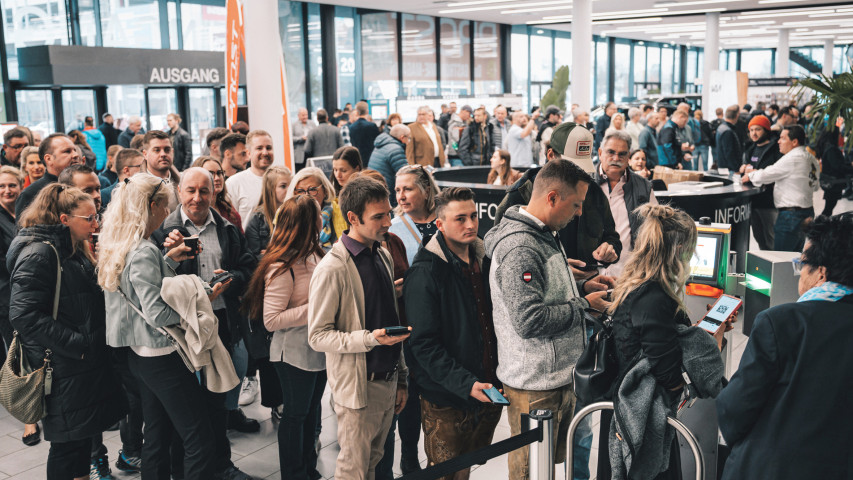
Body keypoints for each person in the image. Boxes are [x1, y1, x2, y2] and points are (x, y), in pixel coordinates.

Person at [485, 159, 611, 480]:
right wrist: (584, 304)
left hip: (558, 377)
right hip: (535, 386)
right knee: (530, 472)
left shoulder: (545, 233)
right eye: (576, 204)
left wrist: (582, 286)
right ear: (552, 197)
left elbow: (546, 294)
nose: (580, 213)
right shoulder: (520, 247)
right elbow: (529, 320)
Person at [100, 173, 226, 480]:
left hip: (139, 355)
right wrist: (199, 301)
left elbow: (138, 291)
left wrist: (168, 260)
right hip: (162, 355)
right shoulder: (143, 249)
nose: (168, 213)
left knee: (156, 434)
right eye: (165, 207)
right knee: (199, 437)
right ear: (154, 206)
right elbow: (156, 312)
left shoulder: (122, 243)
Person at [716, 214, 853, 480]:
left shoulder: (780, 322)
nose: (800, 272)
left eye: (802, 264)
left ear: (821, 273)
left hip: (770, 468)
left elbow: (734, 409)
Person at [10, 183, 126, 480]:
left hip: (78, 367)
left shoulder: (70, 249)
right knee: (66, 447)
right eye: (89, 218)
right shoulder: (40, 252)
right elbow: (24, 314)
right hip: (63, 366)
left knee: (78, 442)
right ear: (65, 220)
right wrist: (80, 345)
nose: (95, 223)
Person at [150, 168, 258, 479]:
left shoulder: (226, 228)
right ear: (179, 193)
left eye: (204, 191)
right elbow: (153, 282)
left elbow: (247, 269)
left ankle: (221, 465)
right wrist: (170, 254)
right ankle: (184, 468)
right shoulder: (162, 231)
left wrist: (231, 279)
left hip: (220, 322)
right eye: (191, 191)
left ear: (214, 193)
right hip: (181, 328)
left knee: (217, 399)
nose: (197, 198)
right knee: (183, 409)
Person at [609, 204, 728, 480]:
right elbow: (669, 373)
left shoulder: (641, 286)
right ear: (678, 249)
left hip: (633, 412)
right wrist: (707, 348)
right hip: (644, 418)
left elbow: (660, 340)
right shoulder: (654, 297)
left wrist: (697, 334)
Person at [307, 176, 410, 480]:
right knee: (353, 472)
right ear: (352, 218)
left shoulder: (383, 254)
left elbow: (390, 321)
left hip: (387, 382)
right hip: (358, 389)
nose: (388, 222)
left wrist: (401, 378)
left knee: (373, 465)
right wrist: (369, 339)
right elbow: (317, 336)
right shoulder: (332, 268)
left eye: (388, 213)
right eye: (378, 217)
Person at [404, 187, 503, 480]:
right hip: (445, 397)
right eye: (460, 218)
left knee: (465, 469)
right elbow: (422, 344)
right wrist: (465, 382)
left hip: (486, 389)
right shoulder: (425, 273)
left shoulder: (485, 259)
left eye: (473, 216)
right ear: (440, 224)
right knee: (445, 474)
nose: (471, 224)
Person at [244, 195, 326, 479]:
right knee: (296, 415)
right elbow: (271, 320)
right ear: (308, 222)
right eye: (318, 213)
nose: (323, 217)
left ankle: (308, 469)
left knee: (311, 412)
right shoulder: (281, 266)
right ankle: (294, 473)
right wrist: (316, 308)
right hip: (292, 354)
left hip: (317, 349)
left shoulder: (316, 253)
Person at [495, 122, 622, 271]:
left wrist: (609, 249)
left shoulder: (594, 192)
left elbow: (612, 237)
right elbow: (498, 260)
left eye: (584, 167)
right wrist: (558, 274)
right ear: (550, 155)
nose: (579, 175)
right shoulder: (520, 195)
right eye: (571, 167)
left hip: (587, 288)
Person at [742, 125, 820, 252]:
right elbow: (816, 186)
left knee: (781, 258)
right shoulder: (811, 159)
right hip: (807, 212)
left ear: (794, 142)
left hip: (791, 216)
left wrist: (750, 175)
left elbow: (768, 174)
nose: (778, 141)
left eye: (783, 138)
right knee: (794, 255)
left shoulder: (792, 158)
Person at [594, 130, 656, 278]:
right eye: (611, 152)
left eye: (622, 154)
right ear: (600, 152)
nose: (616, 158)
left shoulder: (644, 187)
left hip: (628, 276)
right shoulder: (583, 183)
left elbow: (655, 229)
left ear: (628, 157)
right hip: (589, 276)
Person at [738, 115, 782, 250]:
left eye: (758, 129)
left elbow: (777, 172)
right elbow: (747, 174)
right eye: (751, 130)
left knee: (771, 238)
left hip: (769, 201)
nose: (754, 133)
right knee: (759, 237)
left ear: (766, 130)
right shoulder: (750, 149)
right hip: (753, 201)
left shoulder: (775, 149)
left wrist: (757, 172)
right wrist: (742, 170)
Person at [16, 133, 80, 218]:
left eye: (74, 150)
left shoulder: (83, 184)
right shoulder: (31, 194)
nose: (75, 155)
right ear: (49, 159)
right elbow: (23, 230)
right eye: (67, 151)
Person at [389, 165, 441, 266]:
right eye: (398, 190)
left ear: (426, 191)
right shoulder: (391, 228)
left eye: (407, 189)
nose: (401, 197)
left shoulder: (447, 220)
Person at [227, 130, 274, 230]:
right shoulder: (234, 183)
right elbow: (230, 223)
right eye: (259, 148)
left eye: (268, 148)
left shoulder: (284, 181)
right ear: (248, 153)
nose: (265, 152)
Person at [286, 167, 339, 250]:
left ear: (325, 190)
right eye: (300, 191)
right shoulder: (286, 215)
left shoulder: (338, 213)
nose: (307, 195)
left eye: (312, 189)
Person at [194, 156, 246, 231]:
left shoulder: (228, 209)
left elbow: (241, 239)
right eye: (211, 173)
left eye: (219, 173)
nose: (217, 178)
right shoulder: (193, 210)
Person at [367, 124, 410, 207]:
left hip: (375, 186)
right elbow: (405, 173)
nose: (409, 141)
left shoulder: (382, 144)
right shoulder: (395, 149)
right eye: (409, 138)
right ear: (402, 137)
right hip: (387, 189)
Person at [815, 128, 853, 217]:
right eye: (839, 134)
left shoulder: (827, 147)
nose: (841, 136)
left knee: (829, 208)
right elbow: (838, 166)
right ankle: (819, 226)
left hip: (831, 183)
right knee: (828, 209)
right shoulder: (832, 149)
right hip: (833, 184)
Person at [140, 130, 180, 211]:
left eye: (167, 150)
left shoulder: (184, 181)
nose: (163, 154)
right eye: (157, 150)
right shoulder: (136, 186)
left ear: (172, 152)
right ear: (145, 154)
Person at [714, 105, 743, 171]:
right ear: (737, 115)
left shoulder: (721, 127)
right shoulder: (727, 131)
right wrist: (736, 169)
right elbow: (729, 153)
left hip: (724, 167)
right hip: (728, 169)